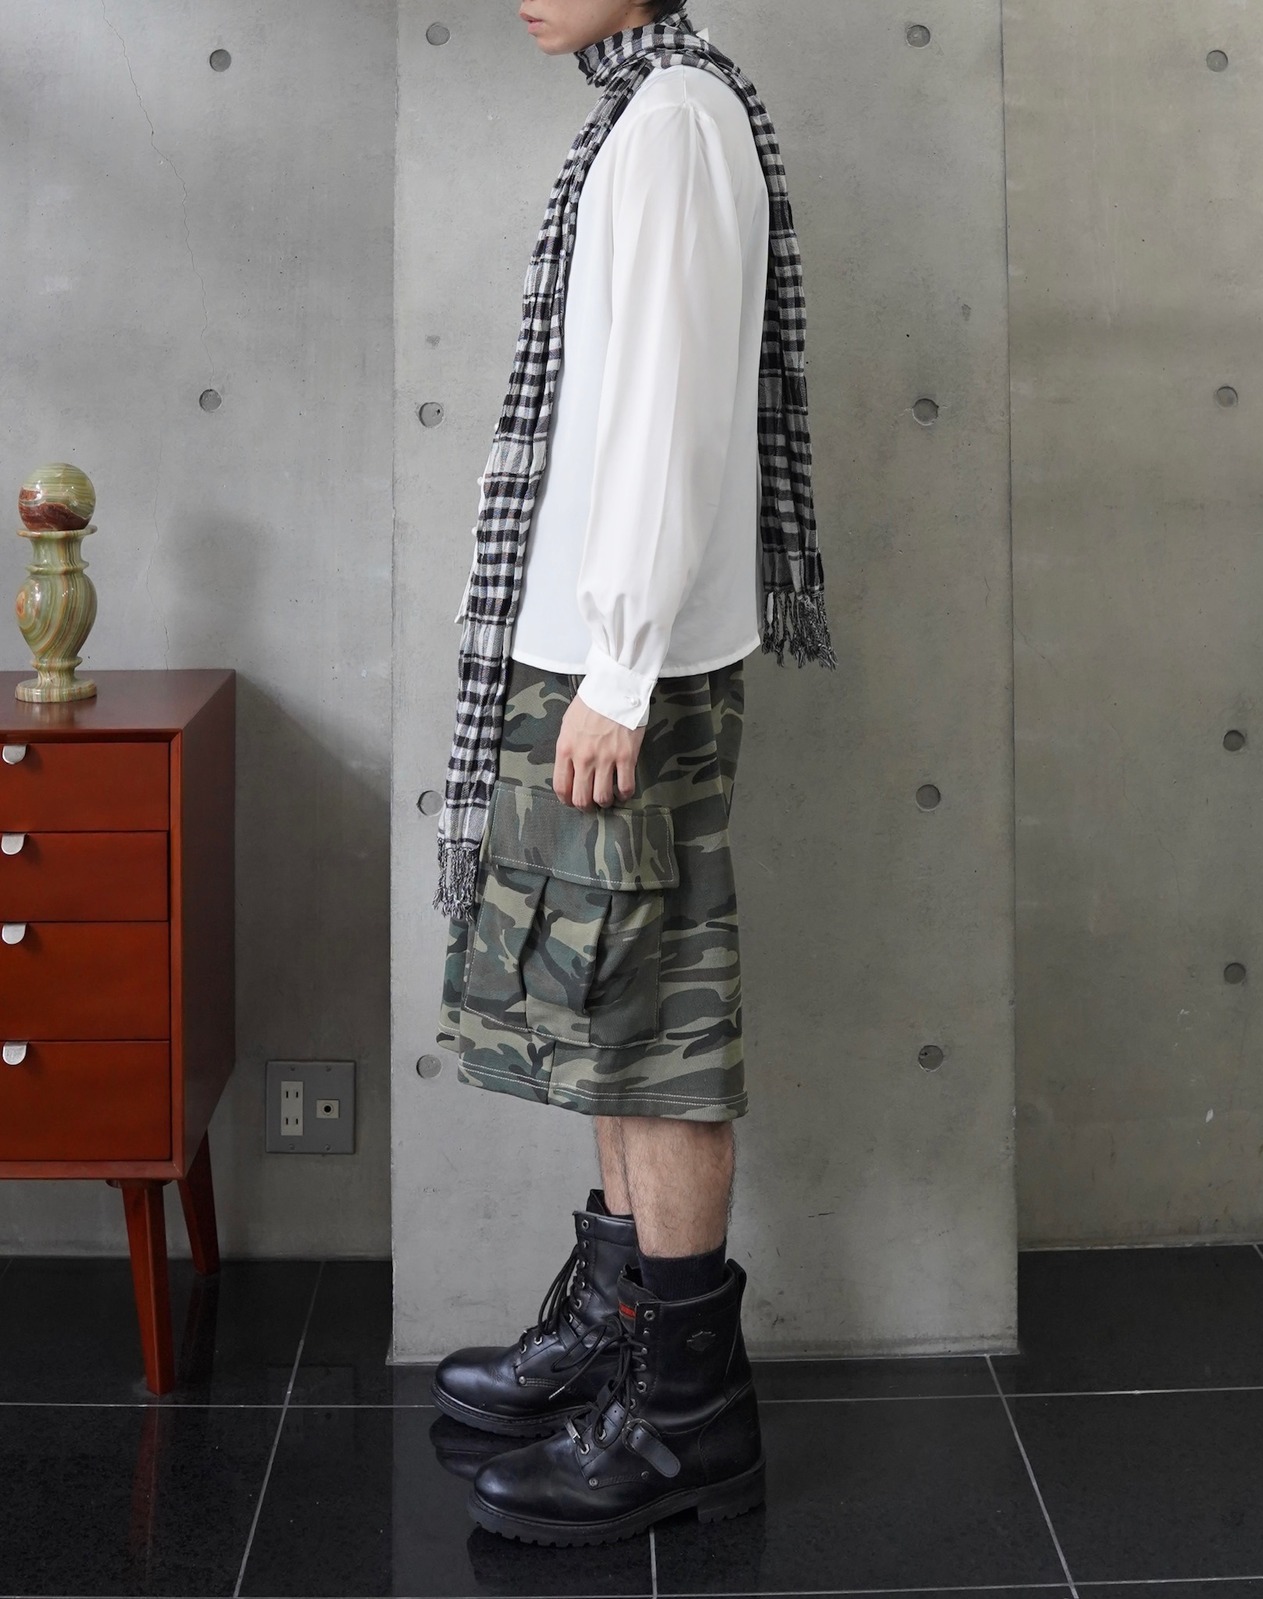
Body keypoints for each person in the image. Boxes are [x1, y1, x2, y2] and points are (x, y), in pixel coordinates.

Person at [431, 0, 833, 1546]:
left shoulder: (671, 121)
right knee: (606, 1006)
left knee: (656, 1024)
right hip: (592, 654)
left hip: (624, 669)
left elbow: (667, 414)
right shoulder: (641, 109)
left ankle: (682, 1423)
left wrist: (618, 667)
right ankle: (615, 1345)